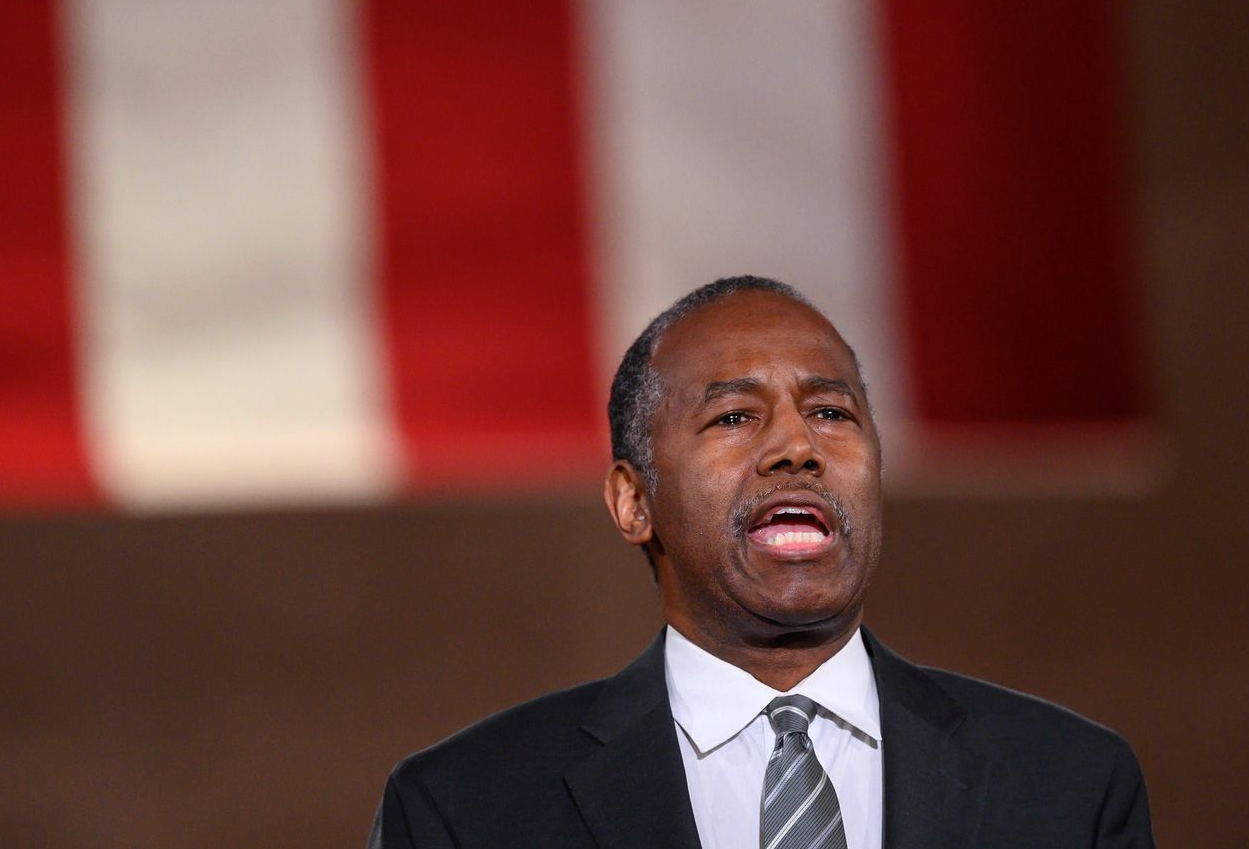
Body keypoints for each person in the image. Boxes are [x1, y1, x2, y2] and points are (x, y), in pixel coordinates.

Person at [369, 276, 1155, 848]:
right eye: (736, 415)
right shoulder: (465, 811)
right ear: (633, 502)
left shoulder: (1068, 786)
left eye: (830, 412)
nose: (796, 448)